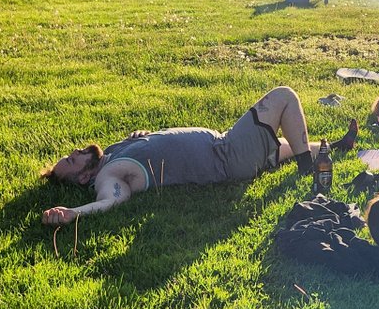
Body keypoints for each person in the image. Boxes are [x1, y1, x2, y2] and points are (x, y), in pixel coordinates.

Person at [41, 87, 358, 227]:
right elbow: (111, 200)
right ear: (84, 177)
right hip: (227, 157)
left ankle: (334, 147)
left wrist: (137, 139)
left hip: (222, 147)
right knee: (283, 97)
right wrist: (73, 213)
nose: (74, 153)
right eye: (71, 161)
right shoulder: (108, 176)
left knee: (280, 148)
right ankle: (307, 168)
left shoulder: (111, 155)